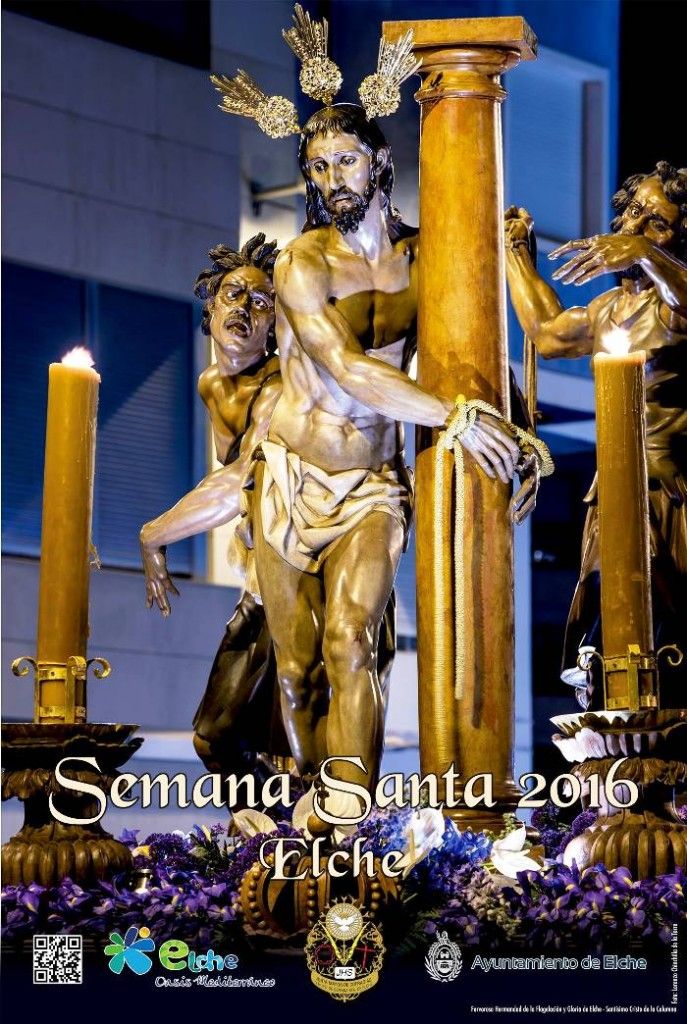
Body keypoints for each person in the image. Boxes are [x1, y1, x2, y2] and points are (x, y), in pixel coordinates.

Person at [248, 103, 536, 792]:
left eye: (345, 160)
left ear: (379, 161)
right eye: (317, 167)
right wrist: (454, 417)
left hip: (373, 480)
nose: (331, 178)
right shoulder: (302, 261)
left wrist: (516, 427)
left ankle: (349, 816)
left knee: (351, 641)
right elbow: (345, 368)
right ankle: (309, 804)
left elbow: (476, 350)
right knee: (294, 668)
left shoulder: (427, 253)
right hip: (292, 473)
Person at [505, 161, 687, 708]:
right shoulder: (610, 309)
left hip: (674, 491)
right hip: (613, 488)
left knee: (671, 617)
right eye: (633, 212)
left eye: (656, 223)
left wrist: (647, 256)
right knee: (611, 612)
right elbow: (547, 334)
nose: (634, 226)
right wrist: (515, 252)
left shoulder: (673, 306)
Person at [140, 234, 287, 775]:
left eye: (261, 301)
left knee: (242, 739)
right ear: (210, 305)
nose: (244, 310)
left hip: (297, 568)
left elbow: (240, 478)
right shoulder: (211, 384)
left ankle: (287, 842)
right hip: (259, 568)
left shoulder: (277, 387)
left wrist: (154, 535)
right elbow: (228, 483)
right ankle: (267, 841)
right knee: (221, 736)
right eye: (233, 295)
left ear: (277, 323)